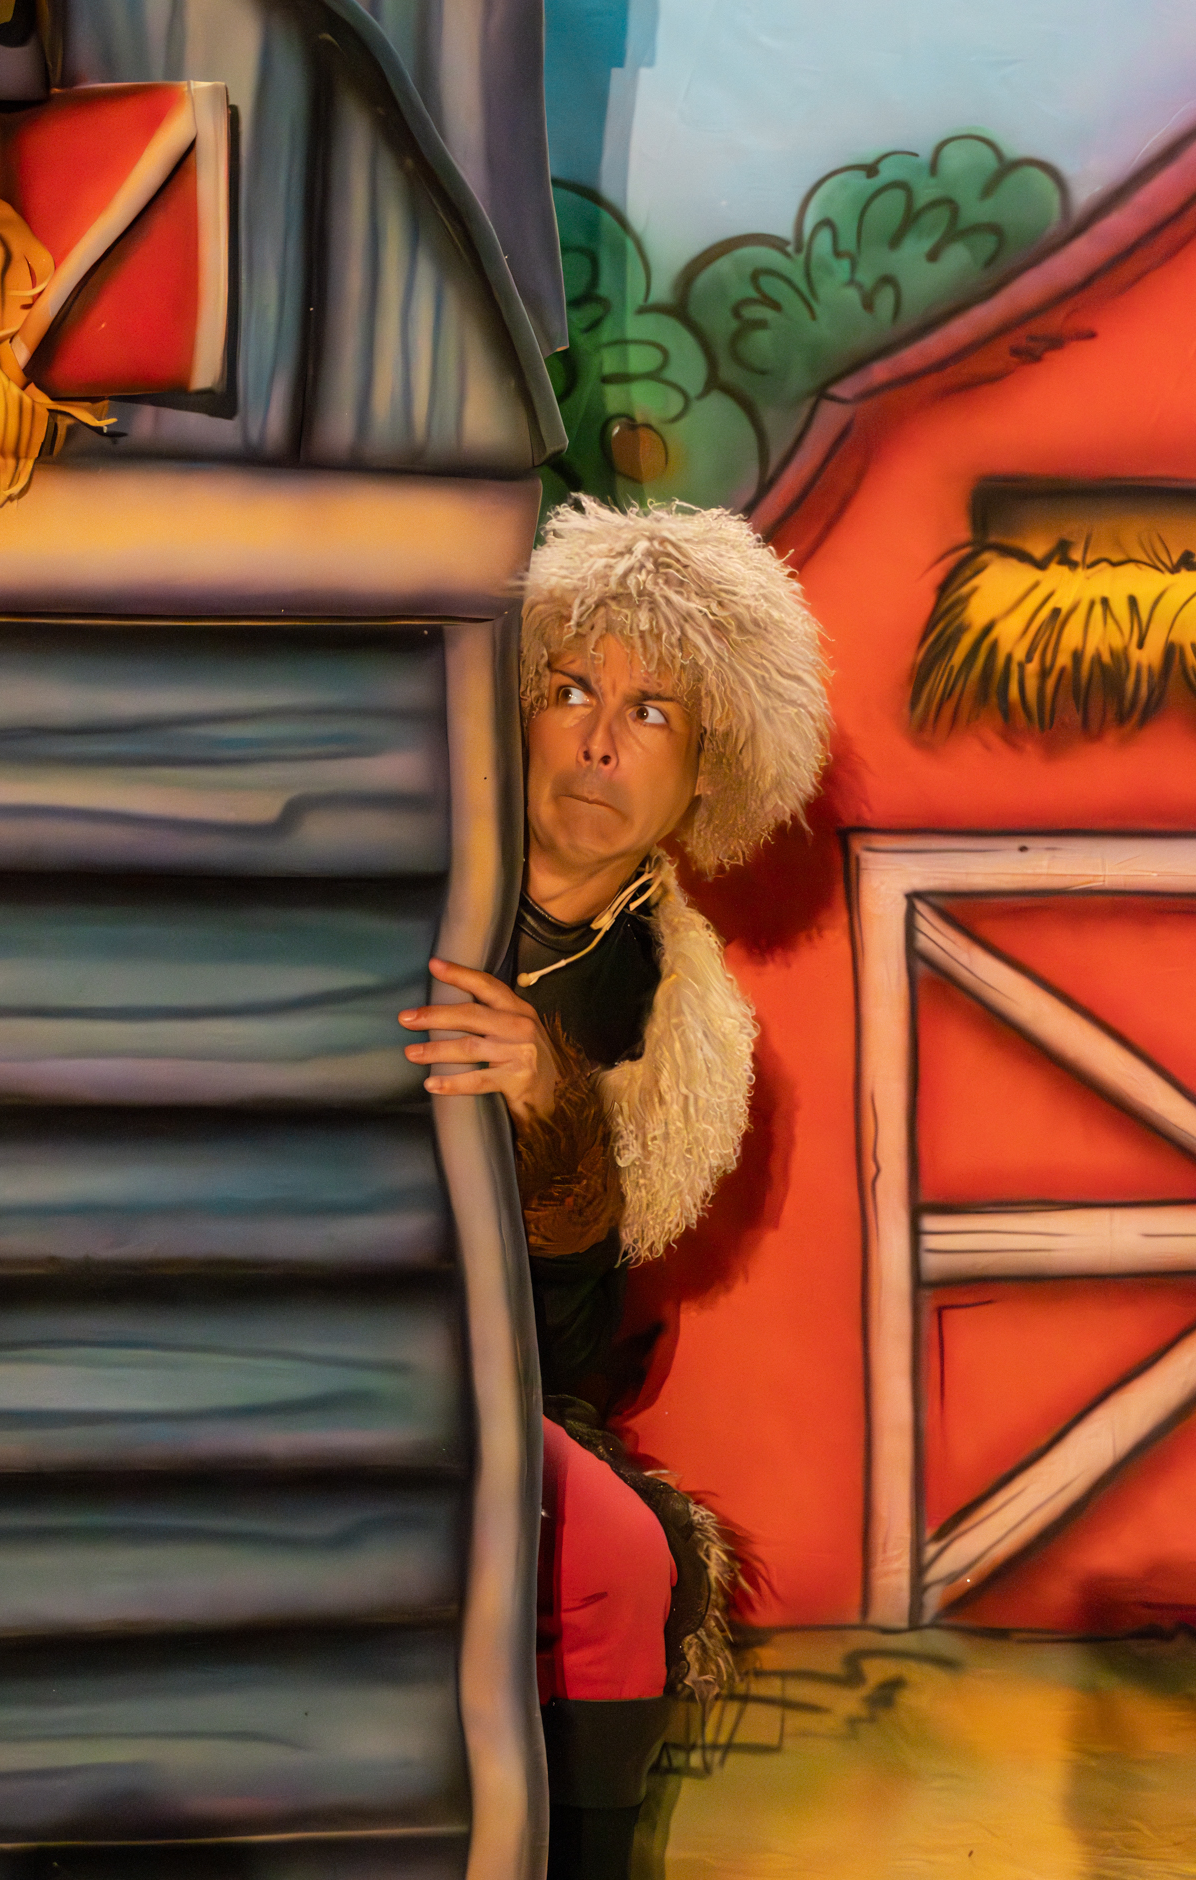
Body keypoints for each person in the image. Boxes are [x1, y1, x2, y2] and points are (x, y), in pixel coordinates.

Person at [399, 497, 829, 1879]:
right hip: (271, 1314)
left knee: (618, 1560)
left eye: (651, 713)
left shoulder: (671, 1025)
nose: (597, 740)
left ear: (704, 775)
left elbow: (571, 1347)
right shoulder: (386, 865)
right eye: (571, 690)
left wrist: (553, 1107)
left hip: (475, 1381)